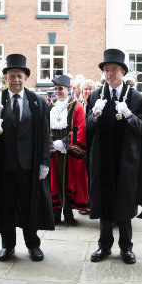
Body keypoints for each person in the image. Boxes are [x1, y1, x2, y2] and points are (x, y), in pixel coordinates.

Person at [0, 53, 54, 262]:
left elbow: (43, 135)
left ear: (25, 78)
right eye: (12, 75)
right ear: (5, 78)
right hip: (3, 165)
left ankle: (33, 244)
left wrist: (44, 163)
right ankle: (8, 245)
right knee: (5, 205)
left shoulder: (37, 103)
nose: (15, 80)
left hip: (28, 166)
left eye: (19, 76)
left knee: (28, 206)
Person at [85, 48, 142, 264]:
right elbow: (87, 128)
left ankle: (126, 247)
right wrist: (94, 114)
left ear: (123, 71)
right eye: (106, 70)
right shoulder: (96, 95)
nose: (110, 74)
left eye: (114, 70)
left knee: (123, 203)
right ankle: (104, 246)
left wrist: (129, 114)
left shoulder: (135, 97)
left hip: (125, 161)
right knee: (104, 203)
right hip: (103, 159)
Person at [48, 75, 89, 225]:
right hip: (53, 150)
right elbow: (44, 126)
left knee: (68, 180)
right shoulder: (49, 105)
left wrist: (65, 142)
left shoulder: (76, 106)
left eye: (61, 89)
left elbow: (80, 127)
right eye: (56, 89)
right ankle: (55, 214)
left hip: (68, 151)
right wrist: (51, 143)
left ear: (69, 90)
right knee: (54, 181)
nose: (58, 92)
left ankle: (68, 213)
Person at [79, 78, 96, 215]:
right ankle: (82, 203)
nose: (88, 91)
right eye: (86, 89)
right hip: (80, 143)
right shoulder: (78, 105)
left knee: (91, 173)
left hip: (92, 144)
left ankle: (91, 202)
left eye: (90, 89)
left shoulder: (97, 105)